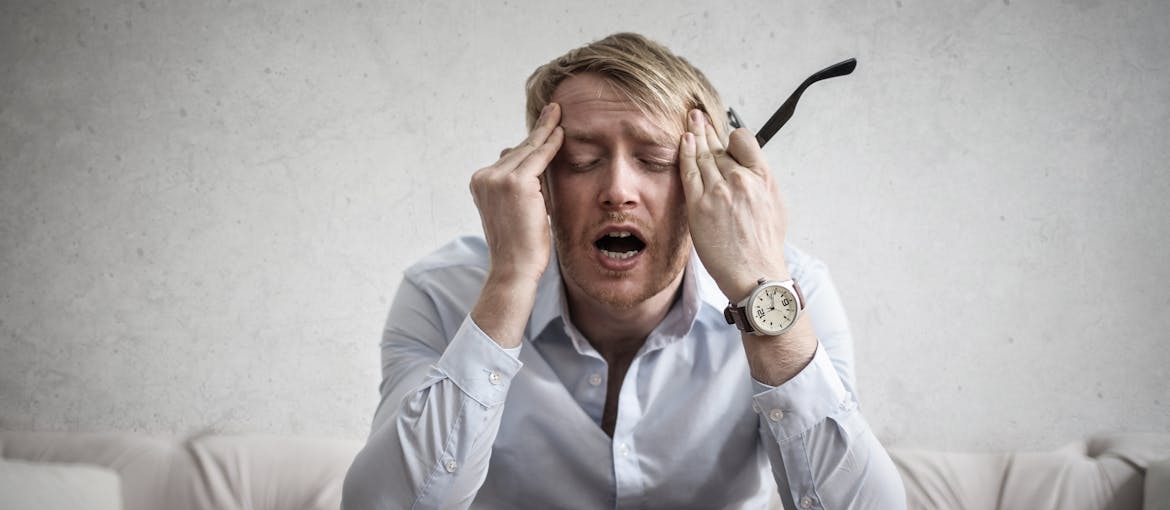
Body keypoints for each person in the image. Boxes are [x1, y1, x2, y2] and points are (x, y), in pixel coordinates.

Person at [342, 32, 906, 509]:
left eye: (657, 161)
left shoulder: (792, 292)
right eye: (580, 162)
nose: (617, 191)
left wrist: (762, 290)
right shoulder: (441, 291)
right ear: (538, 179)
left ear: (710, 183)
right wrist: (510, 282)